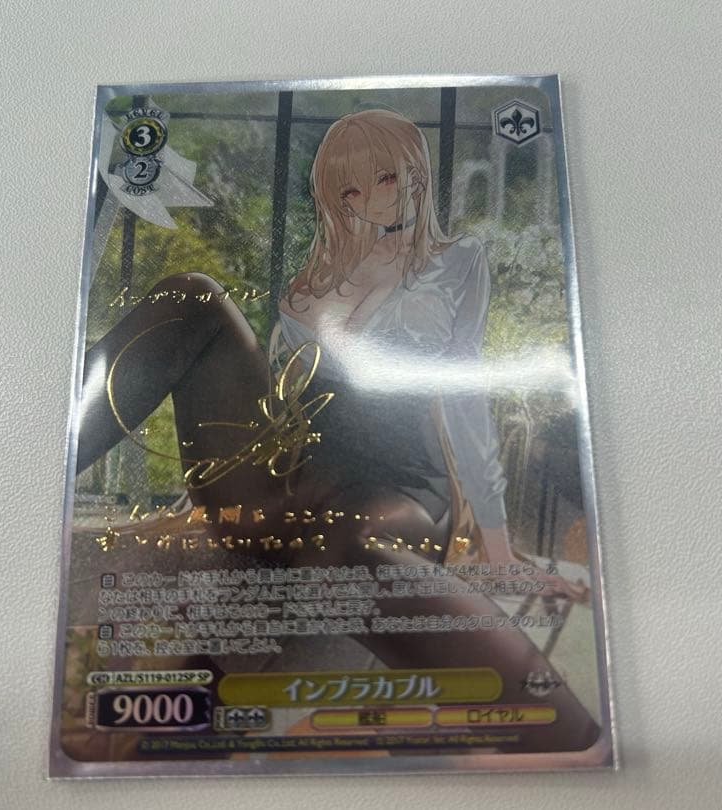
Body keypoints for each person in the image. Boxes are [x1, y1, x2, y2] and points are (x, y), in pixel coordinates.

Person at [75, 108, 598, 752]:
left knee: (339, 552)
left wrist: (497, 547)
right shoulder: (316, 277)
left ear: (415, 172)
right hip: (287, 484)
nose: (371, 199)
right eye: (350, 189)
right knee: (193, 294)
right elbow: (286, 394)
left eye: (386, 177)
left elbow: (464, 397)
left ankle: (571, 734)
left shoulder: (459, 262)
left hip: (399, 491)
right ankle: (39, 471)